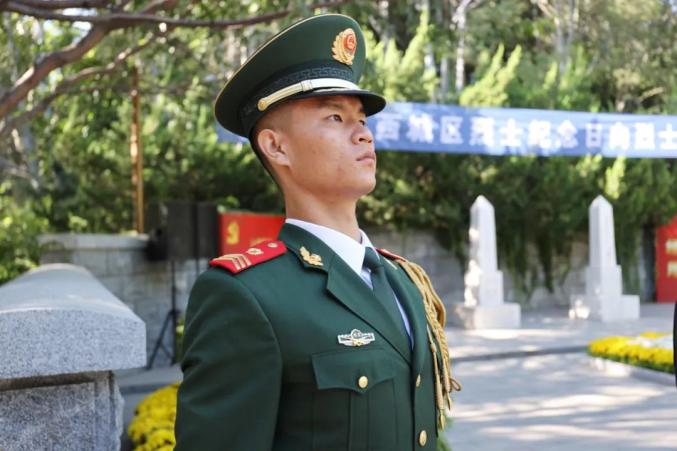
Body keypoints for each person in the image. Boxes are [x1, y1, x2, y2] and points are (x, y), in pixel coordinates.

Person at [175, 13, 459, 451]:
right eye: (335, 117)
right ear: (277, 146)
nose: (363, 134)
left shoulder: (402, 280)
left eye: (362, 119)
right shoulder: (246, 296)